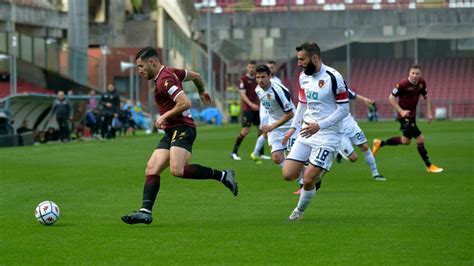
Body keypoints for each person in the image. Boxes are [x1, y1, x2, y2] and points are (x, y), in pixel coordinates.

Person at [121, 47, 238, 225]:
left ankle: (223, 175)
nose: (140, 71)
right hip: (171, 130)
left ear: (152, 62)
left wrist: (164, 116)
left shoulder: (165, 80)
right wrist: (201, 91)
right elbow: (196, 76)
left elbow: (185, 103)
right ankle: (145, 212)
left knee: (178, 170)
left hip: (183, 127)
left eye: (141, 66)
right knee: (152, 168)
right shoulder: (171, 72)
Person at [281, 42, 349, 221]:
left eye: (302, 59)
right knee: (288, 174)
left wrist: (320, 125)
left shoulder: (334, 77)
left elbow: (344, 110)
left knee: (309, 179)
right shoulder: (303, 77)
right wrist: (292, 129)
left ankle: (299, 212)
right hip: (306, 131)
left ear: (315, 58)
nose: (299, 63)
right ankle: (319, 165)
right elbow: (302, 104)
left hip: (328, 134)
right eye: (298, 60)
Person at [372, 64, 443, 173]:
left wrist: (429, 113)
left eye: (417, 73)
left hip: (412, 115)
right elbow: (391, 98)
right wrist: (401, 111)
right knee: (420, 138)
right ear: (409, 74)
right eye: (412, 73)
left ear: (420, 74)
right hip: (403, 116)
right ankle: (429, 166)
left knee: (405, 141)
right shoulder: (403, 84)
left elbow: (426, 97)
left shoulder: (422, 83)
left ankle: (379, 143)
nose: (415, 76)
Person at [336, 88, 385, 181]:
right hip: (338, 130)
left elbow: (353, 96)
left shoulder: (341, 87)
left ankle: (376, 174)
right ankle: (338, 150)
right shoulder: (325, 91)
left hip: (350, 124)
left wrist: (364, 99)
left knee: (365, 147)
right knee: (353, 158)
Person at [230, 60, 262, 160]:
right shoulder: (243, 79)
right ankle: (234, 152)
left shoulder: (258, 78)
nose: (251, 69)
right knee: (245, 130)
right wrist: (252, 105)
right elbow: (242, 95)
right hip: (248, 109)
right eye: (250, 67)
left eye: (253, 67)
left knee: (261, 130)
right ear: (247, 68)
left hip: (258, 108)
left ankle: (260, 153)